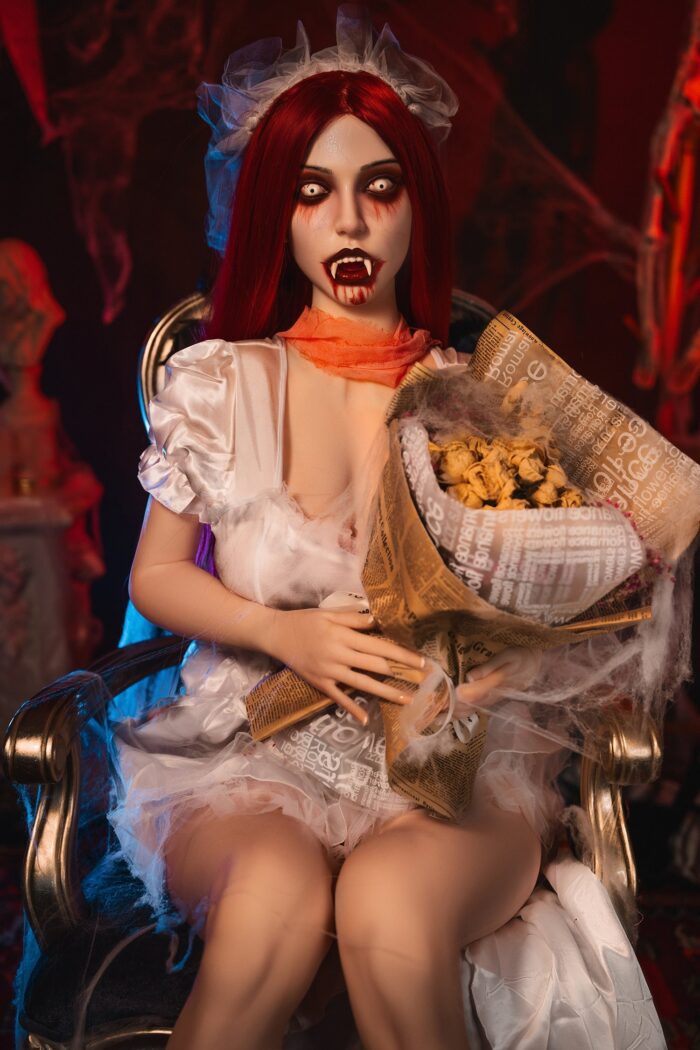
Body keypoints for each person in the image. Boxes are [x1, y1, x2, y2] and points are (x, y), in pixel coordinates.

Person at [108, 11, 667, 1050]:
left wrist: (489, 672)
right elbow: (156, 577)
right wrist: (282, 631)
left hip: (456, 768)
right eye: (312, 192)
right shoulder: (223, 383)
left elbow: (552, 609)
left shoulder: (477, 400)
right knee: (271, 905)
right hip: (251, 756)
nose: (350, 224)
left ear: (417, 206)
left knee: (388, 909)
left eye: (380, 187)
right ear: (275, 213)